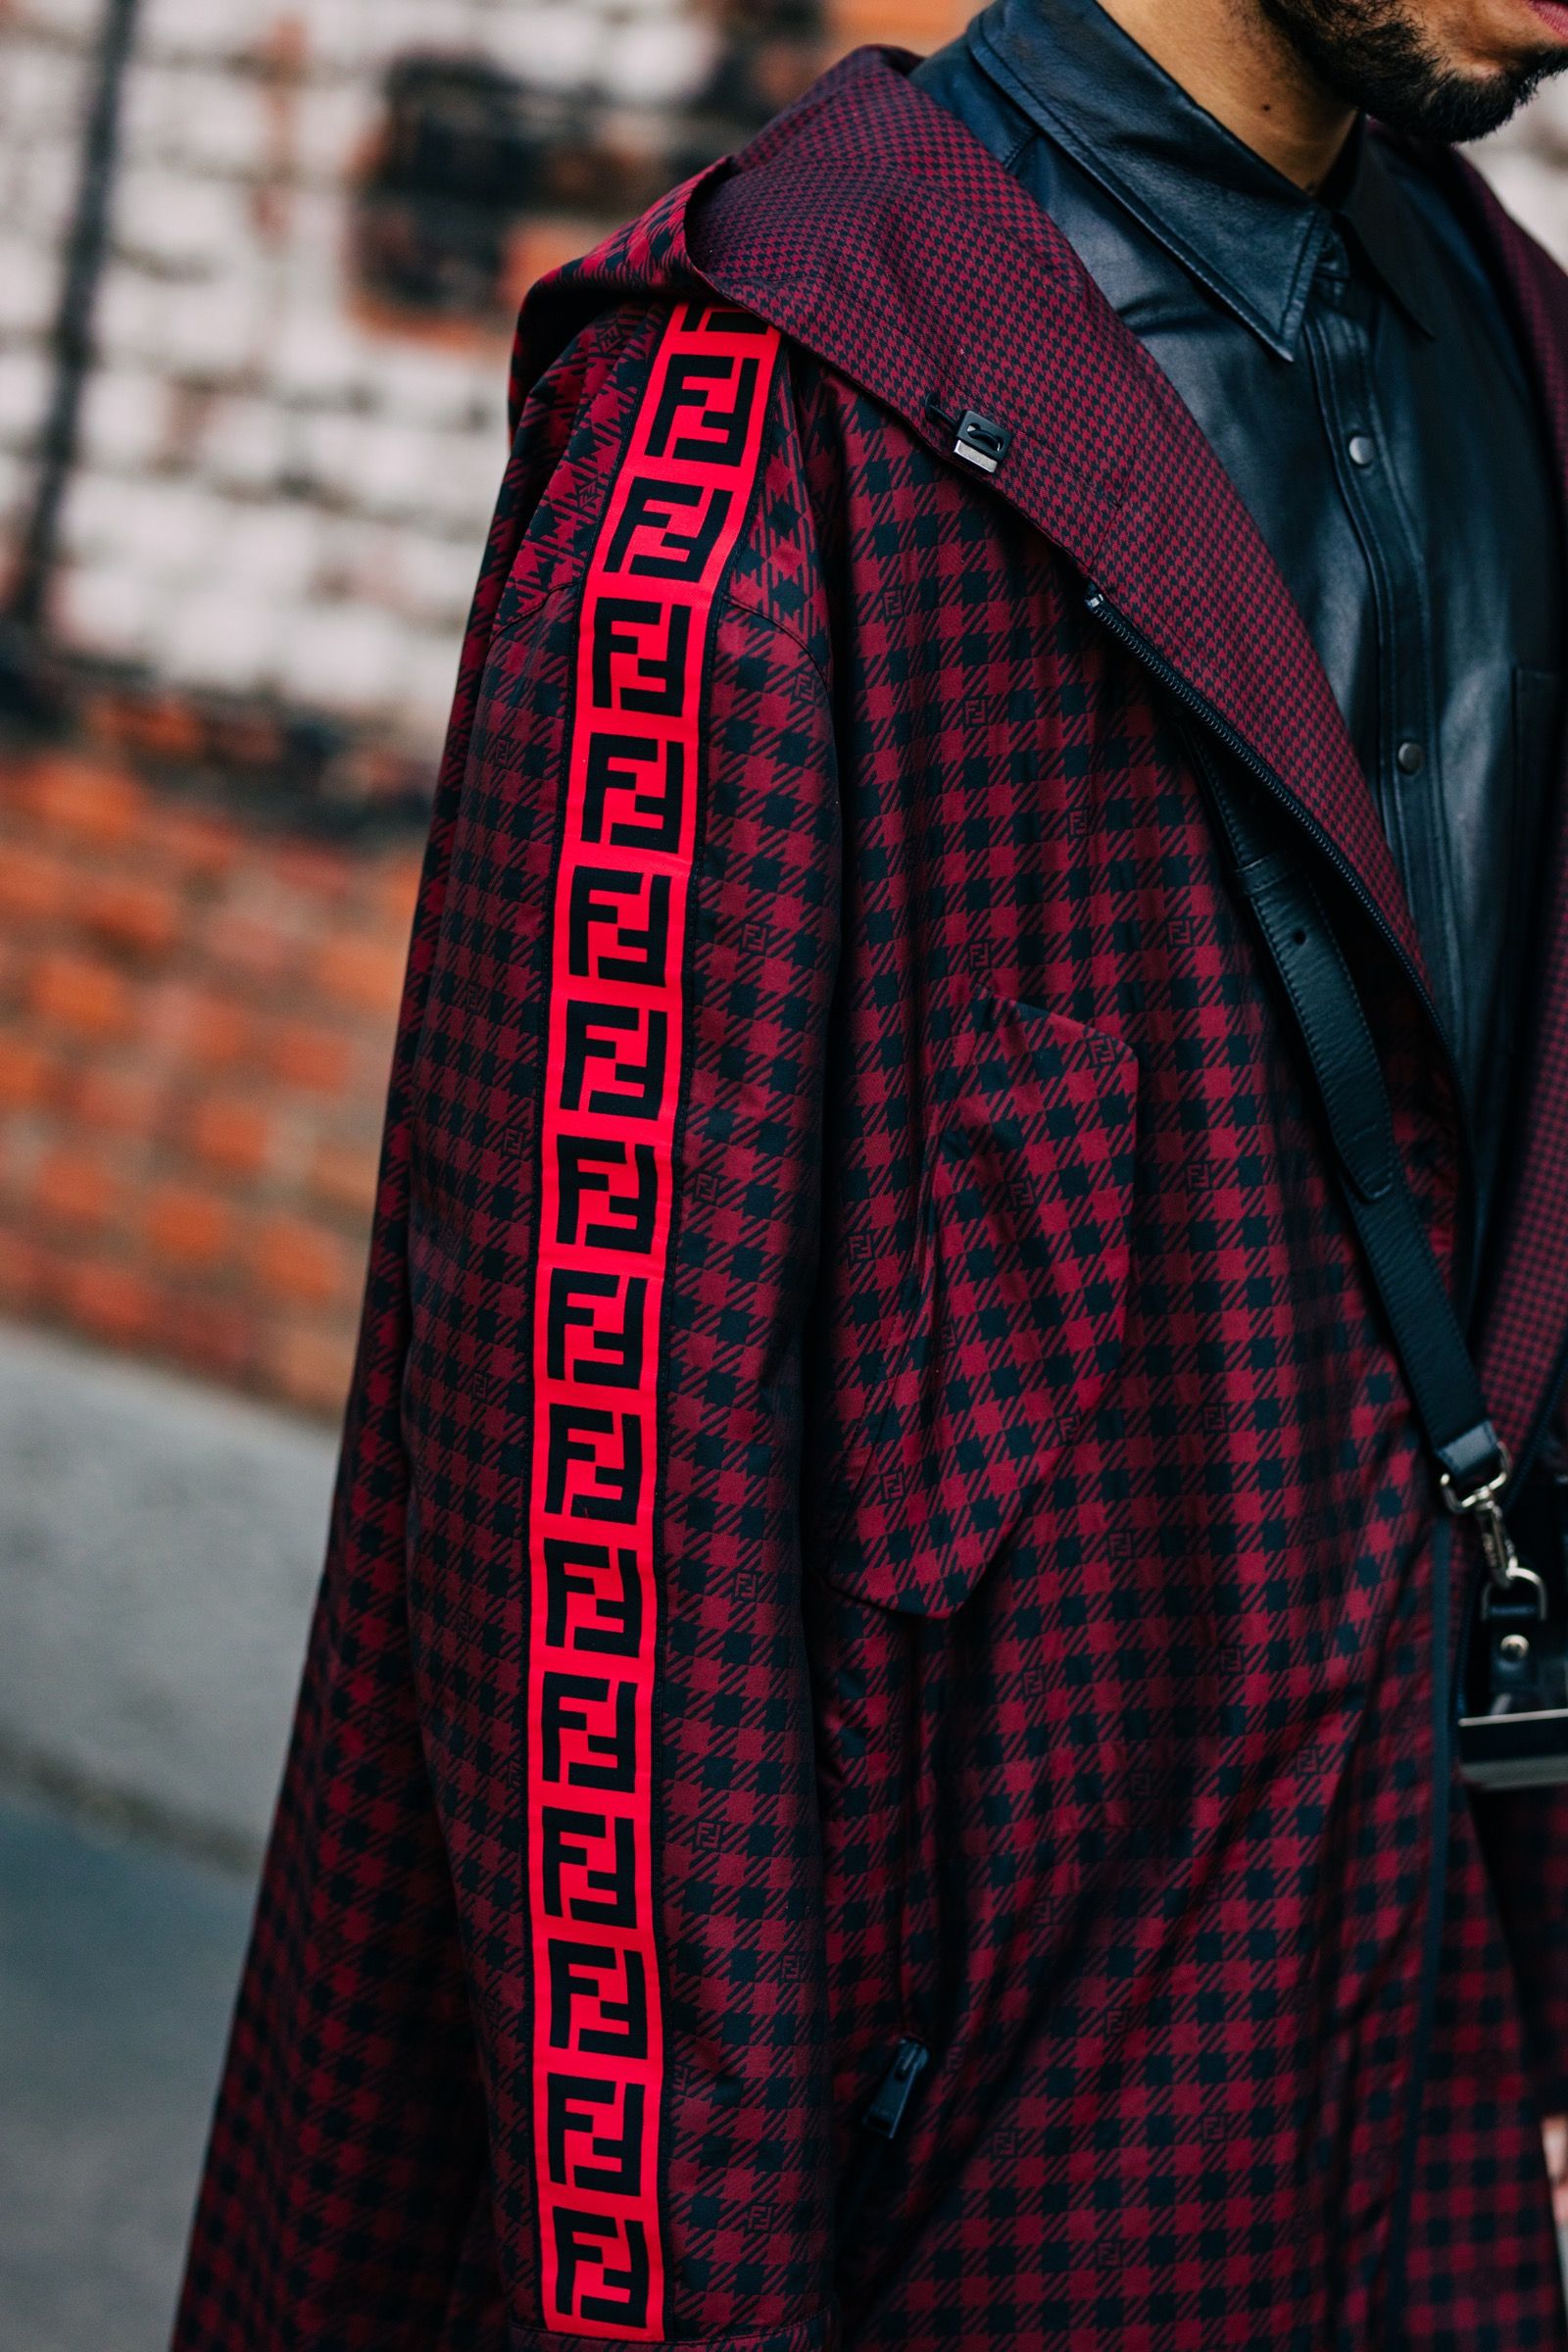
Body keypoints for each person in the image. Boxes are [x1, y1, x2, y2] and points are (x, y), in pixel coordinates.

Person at [172, 1, 1568, 2344]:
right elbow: (589, 1608)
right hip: (958, 2222)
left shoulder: (1523, 362)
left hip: (1413, 2156)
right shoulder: (742, 451)